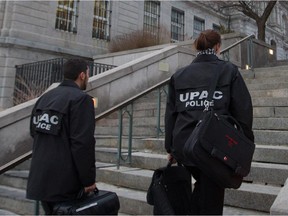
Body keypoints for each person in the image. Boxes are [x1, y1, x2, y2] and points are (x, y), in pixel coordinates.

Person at [164, 29, 254, 215]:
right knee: (211, 202)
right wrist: (245, 143)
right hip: (214, 147)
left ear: (197, 47)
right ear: (218, 47)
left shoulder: (179, 75)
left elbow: (171, 114)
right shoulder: (228, 70)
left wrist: (170, 148)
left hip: (184, 146)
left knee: (201, 195)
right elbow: (243, 111)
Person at [26, 58, 97, 214]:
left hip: (41, 182)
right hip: (66, 185)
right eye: (88, 74)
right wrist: (89, 180)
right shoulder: (81, 99)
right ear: (82, 75)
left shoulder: (44, 98)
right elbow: (82, 143)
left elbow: (34, 132)